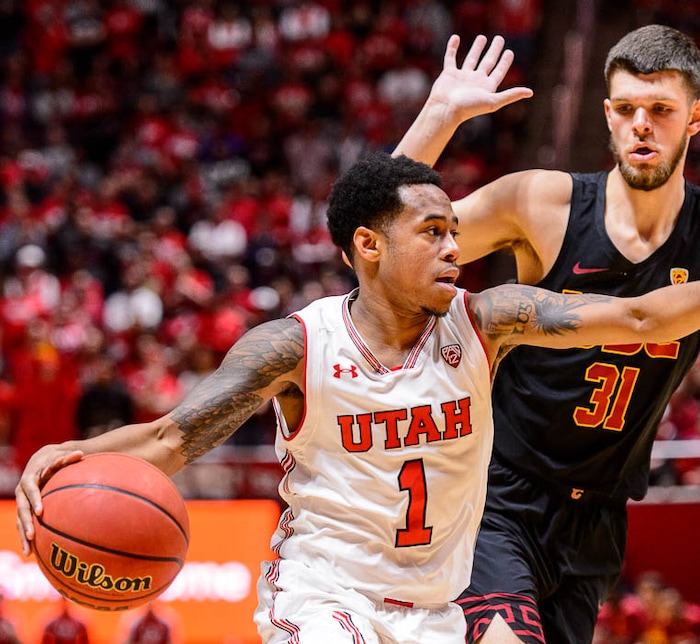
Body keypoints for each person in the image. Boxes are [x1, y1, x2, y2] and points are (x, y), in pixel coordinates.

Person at [15, 151, 700, 644]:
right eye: (433, 232)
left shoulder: (489, 320)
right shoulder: (295, 347)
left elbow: (642, 318)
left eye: (454, 232)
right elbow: (170, 439)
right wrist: (70, 453)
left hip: (435, 612)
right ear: (369, 245)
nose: (454, 248)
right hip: (326, 600)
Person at [393, 25, 700, 644]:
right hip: (498, 494)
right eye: (629, 109)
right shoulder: (542, 202)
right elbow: (384, 244)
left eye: (662, 110)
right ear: (608, 115)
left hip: (600, 517)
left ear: (694, 119)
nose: (643, 124)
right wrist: (439, 116)